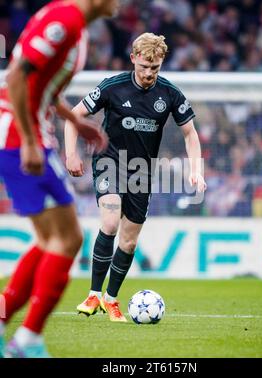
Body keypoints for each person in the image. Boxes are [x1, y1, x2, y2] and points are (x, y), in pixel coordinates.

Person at [0, 0, 120, 358]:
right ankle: (28, 340)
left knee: (50, 239)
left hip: (26, 132)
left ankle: (9, 323)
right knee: (67, 239)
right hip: (19, 135)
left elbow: (41, 82)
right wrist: (30, 140)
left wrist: (73, 118)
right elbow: (16, 76)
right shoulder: (65, 19)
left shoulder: (72, 22)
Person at [65, 32, 207, 322]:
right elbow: (74, 115)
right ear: (133, 59)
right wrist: (71, 154)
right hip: (110, 162)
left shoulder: (169, 93)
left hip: (141, 171)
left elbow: (190, 134)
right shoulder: (113, 86)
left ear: (161, 63)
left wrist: (196, 170)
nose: (148, 74)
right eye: (143, 67)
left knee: (129, 243)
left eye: (154, 68)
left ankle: (111, 299)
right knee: (109, 221)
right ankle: (93, 295)